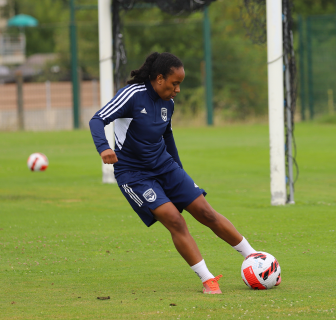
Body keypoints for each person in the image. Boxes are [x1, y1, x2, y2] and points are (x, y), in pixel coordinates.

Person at [89, 52, 280, 294]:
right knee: (174, 220)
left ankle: (254, 257)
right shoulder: (133, 95)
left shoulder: (168, 103)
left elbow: (167, 136)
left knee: (205, 211)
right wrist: (104, 148)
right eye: (174, 83)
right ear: (159, 79)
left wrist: (179, 170)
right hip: (134, 175)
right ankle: (208, 279)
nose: (177, 90)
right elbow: (98, 119)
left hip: (166, 167)